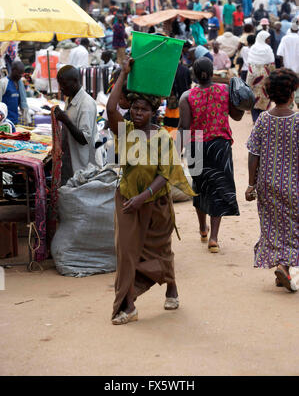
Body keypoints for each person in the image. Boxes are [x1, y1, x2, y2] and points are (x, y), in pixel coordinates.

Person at [106, 58, 194, 325]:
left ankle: (171, 287)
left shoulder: (162, 138)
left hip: (154, 204)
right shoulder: (126, 131)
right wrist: (123, 73)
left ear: (152, 113)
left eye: (143, 109)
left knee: (160, 251)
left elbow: (163, 175)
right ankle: (128, 306)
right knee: (127, 253)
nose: (137, 113)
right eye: (134, 108)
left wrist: (142, 198)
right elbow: (111, 108)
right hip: (126, 201)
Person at [178, 57, 243, 253]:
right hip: (220, 146)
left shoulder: (187, 97)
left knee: (200, 187)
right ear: (212, 71)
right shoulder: (224, 91)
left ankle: (202, 229)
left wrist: (172, 153)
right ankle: (214, 238)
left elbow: (184, 128)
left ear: (194, 75)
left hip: (196, 146)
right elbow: (238, 116)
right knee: (219, 188)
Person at [246, 68, 299, 292]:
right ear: (291, 93)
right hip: (294, 185)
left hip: (267, 185)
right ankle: (284, 265)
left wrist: (251, 184)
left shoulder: (264, 120)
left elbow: (253, 153)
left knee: (272, 227)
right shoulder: (298, 121)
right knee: (293, 227)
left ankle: (281, 267)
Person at [54, 65, 98, 185]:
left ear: (75, 81)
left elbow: (84, 139)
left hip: (81, 166)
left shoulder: (86, 104)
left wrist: (66, 120)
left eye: (63, 84)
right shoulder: (70, 99)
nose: (61, 88)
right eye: (59, 84)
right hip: (70, 163)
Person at [246, 30, 275, 122]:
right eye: (268, 38)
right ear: (263, 39)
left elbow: (249, 63)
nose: (269, 40)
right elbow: (271, 64)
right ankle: (262, 120)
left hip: (253, 76)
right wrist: (273, 76)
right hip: (265, 77)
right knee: (265, 97)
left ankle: (255, 119)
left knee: (254, 98)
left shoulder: (253, 48)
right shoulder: (268, 49)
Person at [0, 60, 29, 126]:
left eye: (22, 74)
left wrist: (27, 120)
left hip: (15, 121)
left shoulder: (20, 83)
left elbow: (23, 102)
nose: (21, 76)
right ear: (13, 70)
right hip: (4, 122)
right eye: (19, 73)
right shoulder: (3, 83)